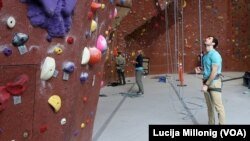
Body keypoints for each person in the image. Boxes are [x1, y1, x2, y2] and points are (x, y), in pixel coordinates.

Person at [195, 36, 225, 125]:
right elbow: (207, 69)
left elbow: (214, 72)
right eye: (207, 38)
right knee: (210, 107)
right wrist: (201, 69)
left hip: (214, 83)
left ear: (213, 43)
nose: (206, 38)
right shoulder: (205, 55)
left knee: (218, 107)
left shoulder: (215, 55)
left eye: (209, 38)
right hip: (206, 82)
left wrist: (206, 85)